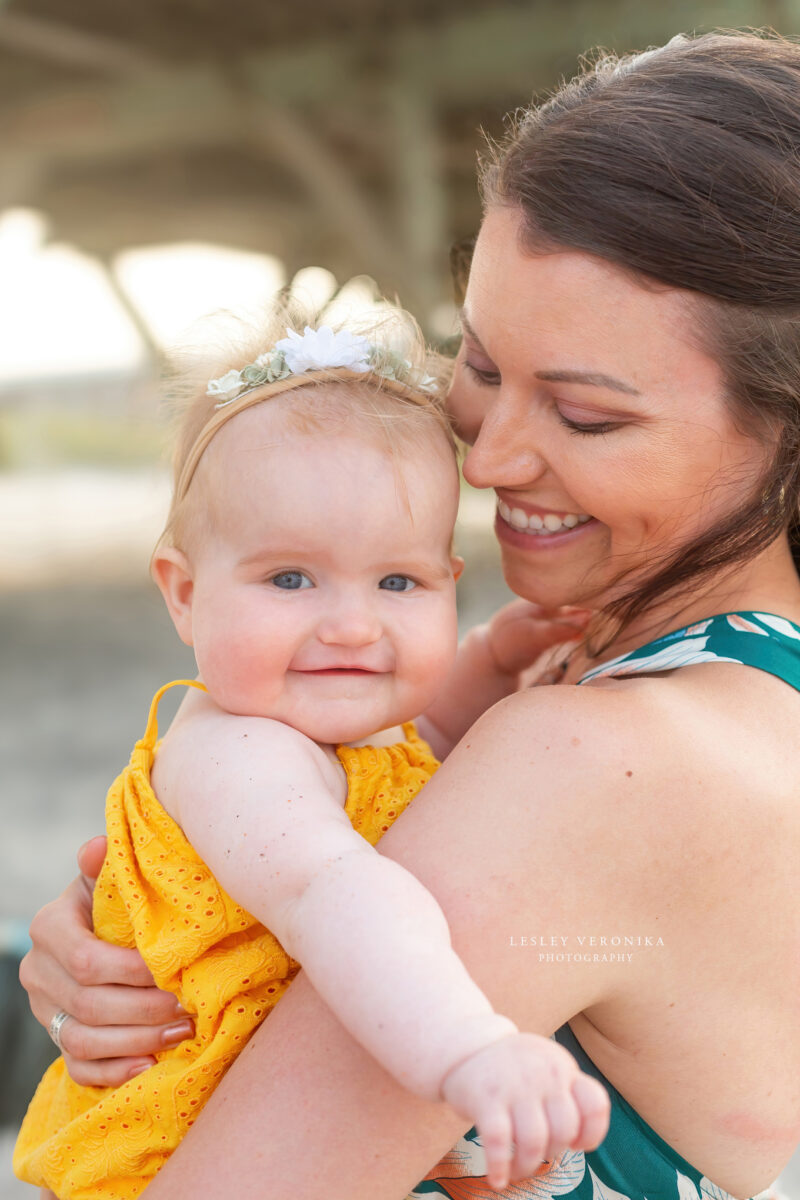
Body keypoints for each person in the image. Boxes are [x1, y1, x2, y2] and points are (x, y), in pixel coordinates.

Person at [19, 28, 800, 1200]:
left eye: (584, 418)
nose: (486, 460)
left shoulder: (590, 761)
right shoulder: (668, 687)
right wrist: (158, 938)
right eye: (479, 365)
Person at [13, 308, 607, 1199]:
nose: (353, 625)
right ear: (183, 594)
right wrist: (469, 1050)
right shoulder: (236, 754)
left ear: (450, 581)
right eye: (290, 578)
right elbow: (338, 893)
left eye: (398, 582)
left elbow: (405, 778)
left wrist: (487, 661)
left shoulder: (332, 738)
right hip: (184, 1148)